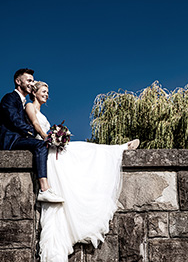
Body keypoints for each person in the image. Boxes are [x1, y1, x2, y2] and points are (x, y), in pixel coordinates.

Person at [25, 81, 139, 262]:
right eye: (44, 91)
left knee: (84, 150)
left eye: (48, 92)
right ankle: (120, 149)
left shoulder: (41, 110)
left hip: (53, 150)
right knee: (83, 150)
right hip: (48, 152)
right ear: (35, 92)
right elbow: (35, 125)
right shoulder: (30, 106)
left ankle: (119, 149)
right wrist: (50, 137)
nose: (47, 94)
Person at [0, 68, 64, 203]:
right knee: (40, 144)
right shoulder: (9, 98)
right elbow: (14, 120)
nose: (31, 84)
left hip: (21, 139)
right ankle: (44, 189)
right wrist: (35, 132)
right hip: (11, 141)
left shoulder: (24, 103)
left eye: (33, 81)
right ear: (18, 81)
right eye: (28, 80)